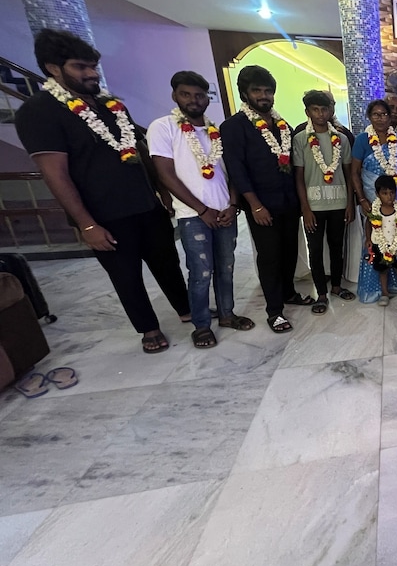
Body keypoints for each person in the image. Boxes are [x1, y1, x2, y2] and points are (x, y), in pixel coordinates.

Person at [15, 29, 190, 353]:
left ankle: (186, 309)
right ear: (53, 68)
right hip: (104, 215)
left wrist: (161, 192)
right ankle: (148, 328)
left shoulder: (111, 105)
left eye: (93, 66)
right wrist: (87, 225)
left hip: (146, 205)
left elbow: (137, 149)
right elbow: (55, 174)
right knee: (126, 276)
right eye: (80, 67)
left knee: (167, 263)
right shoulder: (39, 111)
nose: (92, 73)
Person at [148, 71, 254, 349]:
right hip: (193, 215)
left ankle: (227, 315)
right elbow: (165, 175)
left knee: (226, 268)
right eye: (186, 94)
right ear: (175, 95)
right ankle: (202, 325)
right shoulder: (163, 127)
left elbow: (232, 172)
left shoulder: (214, 131)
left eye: (199, 95)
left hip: (224, 211)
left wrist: (233, 204)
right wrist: (201, 209)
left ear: (207, 98)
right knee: (201, 272)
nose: (194, 100)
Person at [222, 65, 313, 333]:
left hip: (288, 201)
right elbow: (236, 170)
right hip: (262, 205)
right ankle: (274, 311)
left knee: (289, 251)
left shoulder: (282, 125)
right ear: (244, 93)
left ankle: (288, 293)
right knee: (270, 256)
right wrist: (255, 205)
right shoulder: (234, 126)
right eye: (257, 91)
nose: (263, 96)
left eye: (268, 91)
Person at [293, 90, 356, 314]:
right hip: (314, 206)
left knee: (337, 247)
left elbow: (348, 174)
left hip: (339, 203)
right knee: (316, 249)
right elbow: (298, 177)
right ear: (307, 112)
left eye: (324, 109)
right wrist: (305, 208)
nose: (320, 114)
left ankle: (337, 286)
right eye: (315, 110)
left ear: (331, 111)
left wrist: (350, 204)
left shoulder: (341, 139)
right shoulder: (301, 139)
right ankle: (321, 293)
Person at [351, 99, 397, 303]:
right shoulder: (362, 140)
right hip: (372, 197)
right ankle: (379, 290)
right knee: (375, 242)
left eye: (384, 114)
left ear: (390, 117)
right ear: (369, 117)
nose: (380, 118)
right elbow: (354, 172)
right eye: (376, 114)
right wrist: (362, 198)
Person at [365, 175, 397, 306]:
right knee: (383, 270)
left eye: (392, 193)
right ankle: (385, 294)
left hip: (396, 245)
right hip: (379, 245)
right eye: (385, 193)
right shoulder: (375, 210)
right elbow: (368, 223)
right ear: (377, 194)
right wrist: (368, 239)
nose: (389, 196)